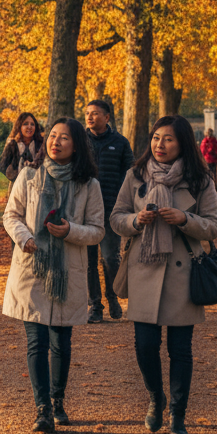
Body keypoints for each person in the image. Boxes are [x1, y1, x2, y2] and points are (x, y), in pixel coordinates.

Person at [110, 115, 217, 434]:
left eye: (169, 139)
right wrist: (136, 219)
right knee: (145, 346)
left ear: (182, 142)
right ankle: (155, 398)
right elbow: (116, 218)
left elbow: (215, 226)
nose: (160, 145)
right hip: (144, 268)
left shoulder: (200, 180)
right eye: (157, 138)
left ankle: (178, 414)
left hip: (183, 274)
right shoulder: (135, 175)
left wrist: (185, 218)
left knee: (180, 349)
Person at [3, 118, 105, 434]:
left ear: (76, 145)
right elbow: (11, 215)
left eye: (64, 138)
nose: (55, 142)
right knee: (37, 341)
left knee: (61, 341)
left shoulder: (89, 185)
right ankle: (42, 408)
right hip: (32, 268)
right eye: (53, 136)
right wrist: (24, 237)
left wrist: (70, 230)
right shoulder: (29, 175)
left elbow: (98, 230)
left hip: (68, 273)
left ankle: (57, 399)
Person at [84, 99, 134, 323]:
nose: (90, 117)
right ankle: (95, 305)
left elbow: (130, 174)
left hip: (110, 208)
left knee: (110, 258)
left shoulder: (120, 142)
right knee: (88, 260)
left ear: (107, 117)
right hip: (83, 211)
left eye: (95, 113)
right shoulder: (79, 141)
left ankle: (112, 296)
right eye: (87, 113)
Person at [0, 113, 44, 196]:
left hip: (37, 187)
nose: (29, 127)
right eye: (25, 124)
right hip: (16, 188)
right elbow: (2, 165)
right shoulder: (13, 145)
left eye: (32, 124)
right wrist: (14, 175)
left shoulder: (41, 144)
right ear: (19, 126)